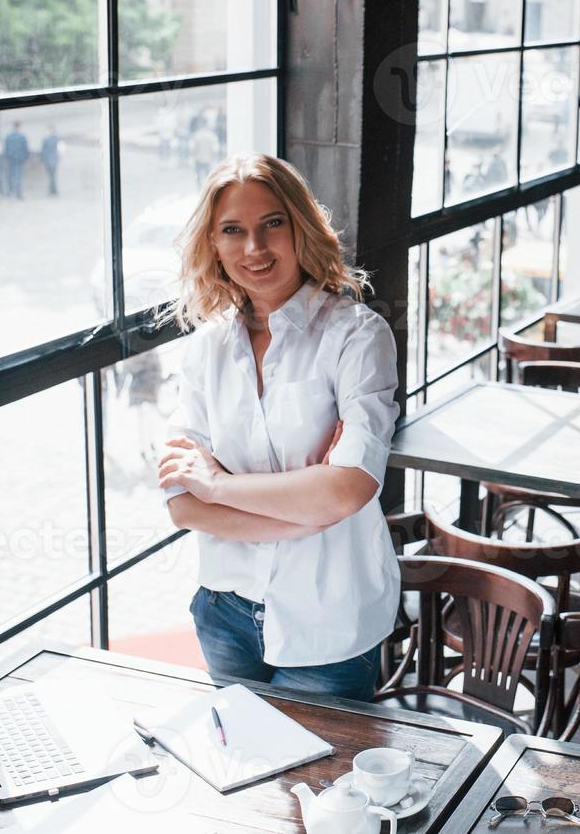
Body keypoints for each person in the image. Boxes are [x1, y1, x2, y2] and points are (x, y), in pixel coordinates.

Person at [156, 153, 399, 701]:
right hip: (224, 609)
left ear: (300, 226)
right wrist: (305, 512)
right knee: (242, 777)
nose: (255, 249)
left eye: (272, 224)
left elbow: (346, 490)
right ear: (212, 245)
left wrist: (218, 484)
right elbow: (181, 504)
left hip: (328, 618)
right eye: (233, 231)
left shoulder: (357, 337)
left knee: (321, 785)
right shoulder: (205, 349)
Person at [3, 121, 29, 200]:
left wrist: (7, 157)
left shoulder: (9, 136)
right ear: (19, 127)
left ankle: (10, 192)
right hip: (19, 159)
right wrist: (25, 158)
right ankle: (18, 193)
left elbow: (6, 149)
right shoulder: (22, 136)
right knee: (18, 176)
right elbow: (25, 149)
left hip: (11, 159)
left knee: (10, 176)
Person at [40, 126, 61, 196]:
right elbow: (61, 150)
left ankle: (52, 190)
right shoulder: (57, 139)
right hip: (54, 160)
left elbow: (43, 151)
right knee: (53, 176)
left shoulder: (45, 140)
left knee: (50, 176)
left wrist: (42, 159)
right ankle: (54, 190)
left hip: (48, 160)